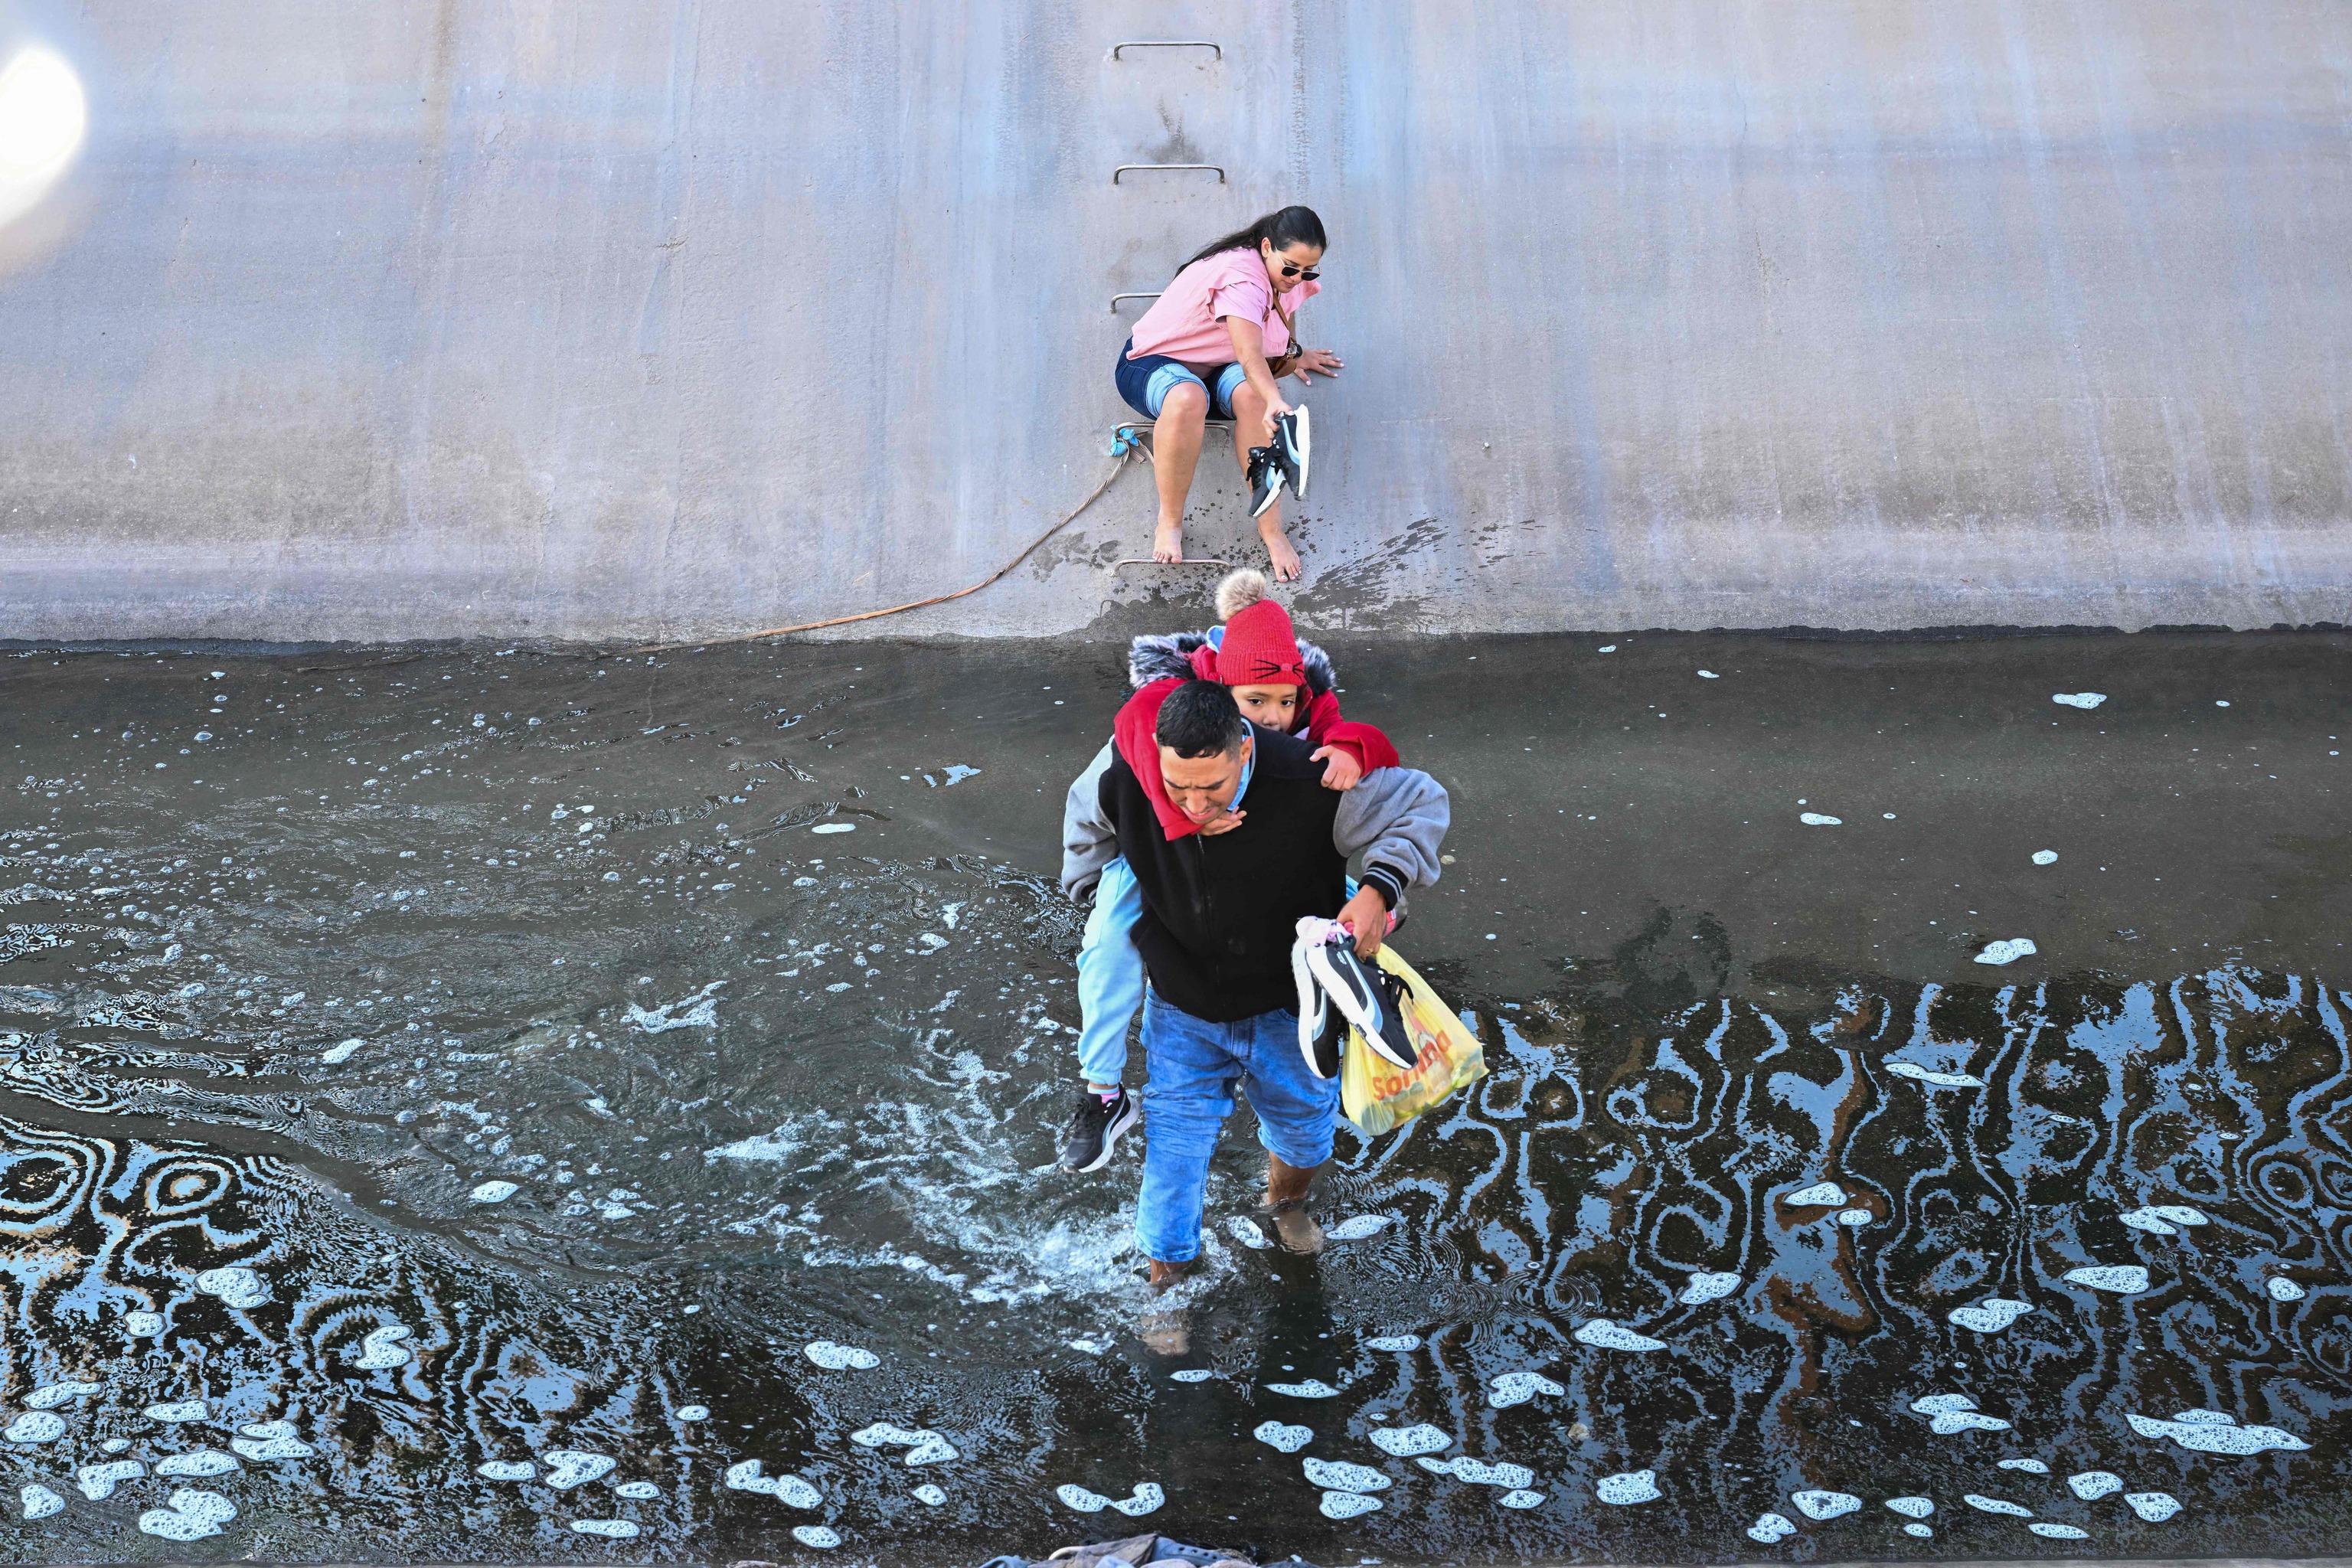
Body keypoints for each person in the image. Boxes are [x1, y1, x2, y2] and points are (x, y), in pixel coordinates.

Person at [1061, 680, 1449, 1286]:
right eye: (1177, 788)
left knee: (1304, 1141)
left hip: (1290, 1013)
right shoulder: (1124, 773)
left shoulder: (1309, 778)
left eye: (1211, 788)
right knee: (1172, 1160)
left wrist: (1380, 888)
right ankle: (1167, 1290)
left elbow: (1421, 803)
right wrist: (1100, 899)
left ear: (1245, 749)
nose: (1194, 806)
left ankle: (1285, 1207)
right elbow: (1085, 826)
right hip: (1182, 1007)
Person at [1057, 572, 1400, 1174]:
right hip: (1160, 859)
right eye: (1255, 702)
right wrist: (1182, 821)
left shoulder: (1302, 704)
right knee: (1109, 938)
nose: (1273, 719)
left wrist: (1354, 747)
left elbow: (1359, 742)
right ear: (1219, 690)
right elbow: (1106, 787)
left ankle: (1352, 969)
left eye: (1285, 702)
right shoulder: (1165, 705)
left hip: (1265, 880)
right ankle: (1102, 1091)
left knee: (1350, 901)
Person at [1115, 207, 1344, 583]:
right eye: (1291, 268)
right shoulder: (1242, 280)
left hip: (1217, 365)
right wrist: (1275, 398)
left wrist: (1296, 356)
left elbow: (1278, 333)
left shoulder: (1287, 272)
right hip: (1153, 362)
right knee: (1190, 398)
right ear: (1266, 247)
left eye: (1310, 271)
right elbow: (1250, 355)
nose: (1298, 278)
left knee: (1252, 401)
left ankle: (1271, 529)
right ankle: (1170, 521)